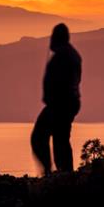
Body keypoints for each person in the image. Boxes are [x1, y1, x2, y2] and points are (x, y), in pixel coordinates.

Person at [31, 23, 82, 175]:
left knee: (41, 136)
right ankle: (63, 173)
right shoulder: (71, 54)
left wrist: (52, 98)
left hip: (60, 104)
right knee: (60, 138)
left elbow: (60, 82)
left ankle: (56, 173)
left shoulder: (63, 56)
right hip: (65, 103)